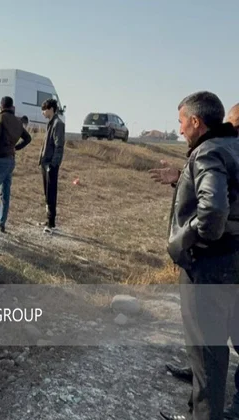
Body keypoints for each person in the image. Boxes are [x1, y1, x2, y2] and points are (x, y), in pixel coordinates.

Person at [154, 91, 239, 420]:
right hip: (232, 265)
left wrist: (186, 243)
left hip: (208, 270)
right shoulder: (231, 148)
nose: (179, 130)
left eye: (181, 122)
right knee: (215, 356)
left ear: (195, 121)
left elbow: (214, 210)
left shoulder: (207, 151)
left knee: (207, 362)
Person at [0, 96, 32, 233]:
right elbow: (28, 138)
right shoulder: (18, 122)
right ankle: (2, 222)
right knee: (5, 193)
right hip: (11, 160)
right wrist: (16, 148)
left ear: (1, 106)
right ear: (12, 106)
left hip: (0, 160)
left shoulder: (0, 118)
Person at [38, 98, 65, 234]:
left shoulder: (58, 123)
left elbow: (59, 145)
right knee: (46, 192)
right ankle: (48, 219)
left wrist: (53, 164)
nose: (43, 112)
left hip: (50, 164)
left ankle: (51, 222)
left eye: (44, 109)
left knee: (51, 192)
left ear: (51, 109)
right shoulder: (51, 122)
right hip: (45, 163)